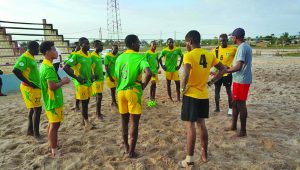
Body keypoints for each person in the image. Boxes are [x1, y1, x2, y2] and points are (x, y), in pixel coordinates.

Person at [179, 30, 226, 167]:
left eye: (186, 42)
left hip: (191, 95)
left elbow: (186, 74)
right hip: (203, 95)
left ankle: (189, 159)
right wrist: (211, 83)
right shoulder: (209, 54)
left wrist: (182, 90)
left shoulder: (188, 55)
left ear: (190, 42)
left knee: (190, 127)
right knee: (202, 124)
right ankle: (204, 154)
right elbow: (223, 69)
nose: (186, 45)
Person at [115, 34, 151, 158]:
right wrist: (143, 86)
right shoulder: (139, 57)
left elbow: (117, 76)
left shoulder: (119, 58)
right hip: (133, 92)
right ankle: (131, 152)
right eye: (138, 42)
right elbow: (149, 73)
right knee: (134, 123)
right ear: (132, 44)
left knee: (124, 122)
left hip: (120, 92)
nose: (139, 45)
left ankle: (126, 147)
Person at [39, 41, 70, 158]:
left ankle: (50, 145)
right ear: (47, 52)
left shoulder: (46, 64)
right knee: (55, 125)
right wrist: (63, 81)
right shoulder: (47, 67)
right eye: (54, 50)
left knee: (52, 124)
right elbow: (51, 86)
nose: (56, 52)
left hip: (50, 101)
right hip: (53, 101)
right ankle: (54, 150)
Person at [12, 41, 43, 141]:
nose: (38, 50)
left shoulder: (31, 57)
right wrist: (29, 83)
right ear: (32, 48)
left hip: (33, 88)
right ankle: (36, 135)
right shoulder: (24, 57)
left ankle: (30, 130)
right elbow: (16, 70)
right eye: (37, 48)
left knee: (32, 109)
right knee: (37, 110)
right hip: (29, 88)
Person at [225, 28, 252, 137]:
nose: (231, 38)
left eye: (232, 36)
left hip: (241, 80)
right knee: (234, 103)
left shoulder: (242, 48)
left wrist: (227, 70)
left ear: (235, 37)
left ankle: (243, 131)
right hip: (239, 80)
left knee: (241, 104)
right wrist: (230, 68)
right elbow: (237, 65)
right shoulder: (245, 46)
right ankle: (234, 126)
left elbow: (239, 66)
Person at [64, 37, 94, 130]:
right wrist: (77, 78)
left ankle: (84, 121)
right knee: (84, 103)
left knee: (87, 102)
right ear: (81, 45)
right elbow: (66, 67)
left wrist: (92, 75)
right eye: (86, 44)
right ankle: (87, 123)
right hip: (81, 84)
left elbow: (89, 67)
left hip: (89, 83)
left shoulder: (89, 55)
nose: (88, 45)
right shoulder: (76, 56)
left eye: (88, 43)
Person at [211, 34, 237, 115]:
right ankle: (217, 108)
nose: (222, 42)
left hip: (227, 74)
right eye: (221, 40)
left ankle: (230, 109)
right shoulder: (215, 50)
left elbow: (238, 59)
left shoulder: (233, 49)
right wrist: (211, 71)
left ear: (227, 40)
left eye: (224, 40)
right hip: (218, 74)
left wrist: (232, 67)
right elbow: (212, 61)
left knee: (228, 91)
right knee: (217, 91)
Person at [64, 42, 81, 111]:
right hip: (76, 75)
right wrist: (72, 70)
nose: (79, 47)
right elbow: (66, 62)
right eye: (78, 46)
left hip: (82, 74)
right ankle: (77, 106)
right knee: (78, 90)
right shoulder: (73, 55)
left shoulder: (82, 54)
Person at [91, 40, 105, 120]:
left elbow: (97, 66)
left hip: (100, 79)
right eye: (100, 45)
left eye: (102, 45)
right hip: (96, 80)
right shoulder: (92, 56)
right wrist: (92, 75)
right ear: (95, 46)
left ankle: (98, 112)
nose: (102, 47)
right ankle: (98, 114)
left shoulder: (98, 55)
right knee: (99, 96)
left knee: (98, 97)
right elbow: (89, 66)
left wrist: (101, 72)